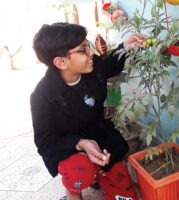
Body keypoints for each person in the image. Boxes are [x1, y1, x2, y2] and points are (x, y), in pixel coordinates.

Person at [30, 22, 146, 200]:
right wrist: (80, 143)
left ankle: (98, 175)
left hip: (100, 137)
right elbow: (45, 143)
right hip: (71, 149)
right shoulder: (42, 96)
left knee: (125, 194)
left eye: (88, 45)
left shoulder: (91, 69)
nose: (91, 52)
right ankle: (73, 191)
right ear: (61, 62)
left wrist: (126, 47)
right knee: (79, 171)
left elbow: (110, 63)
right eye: (83, 49)